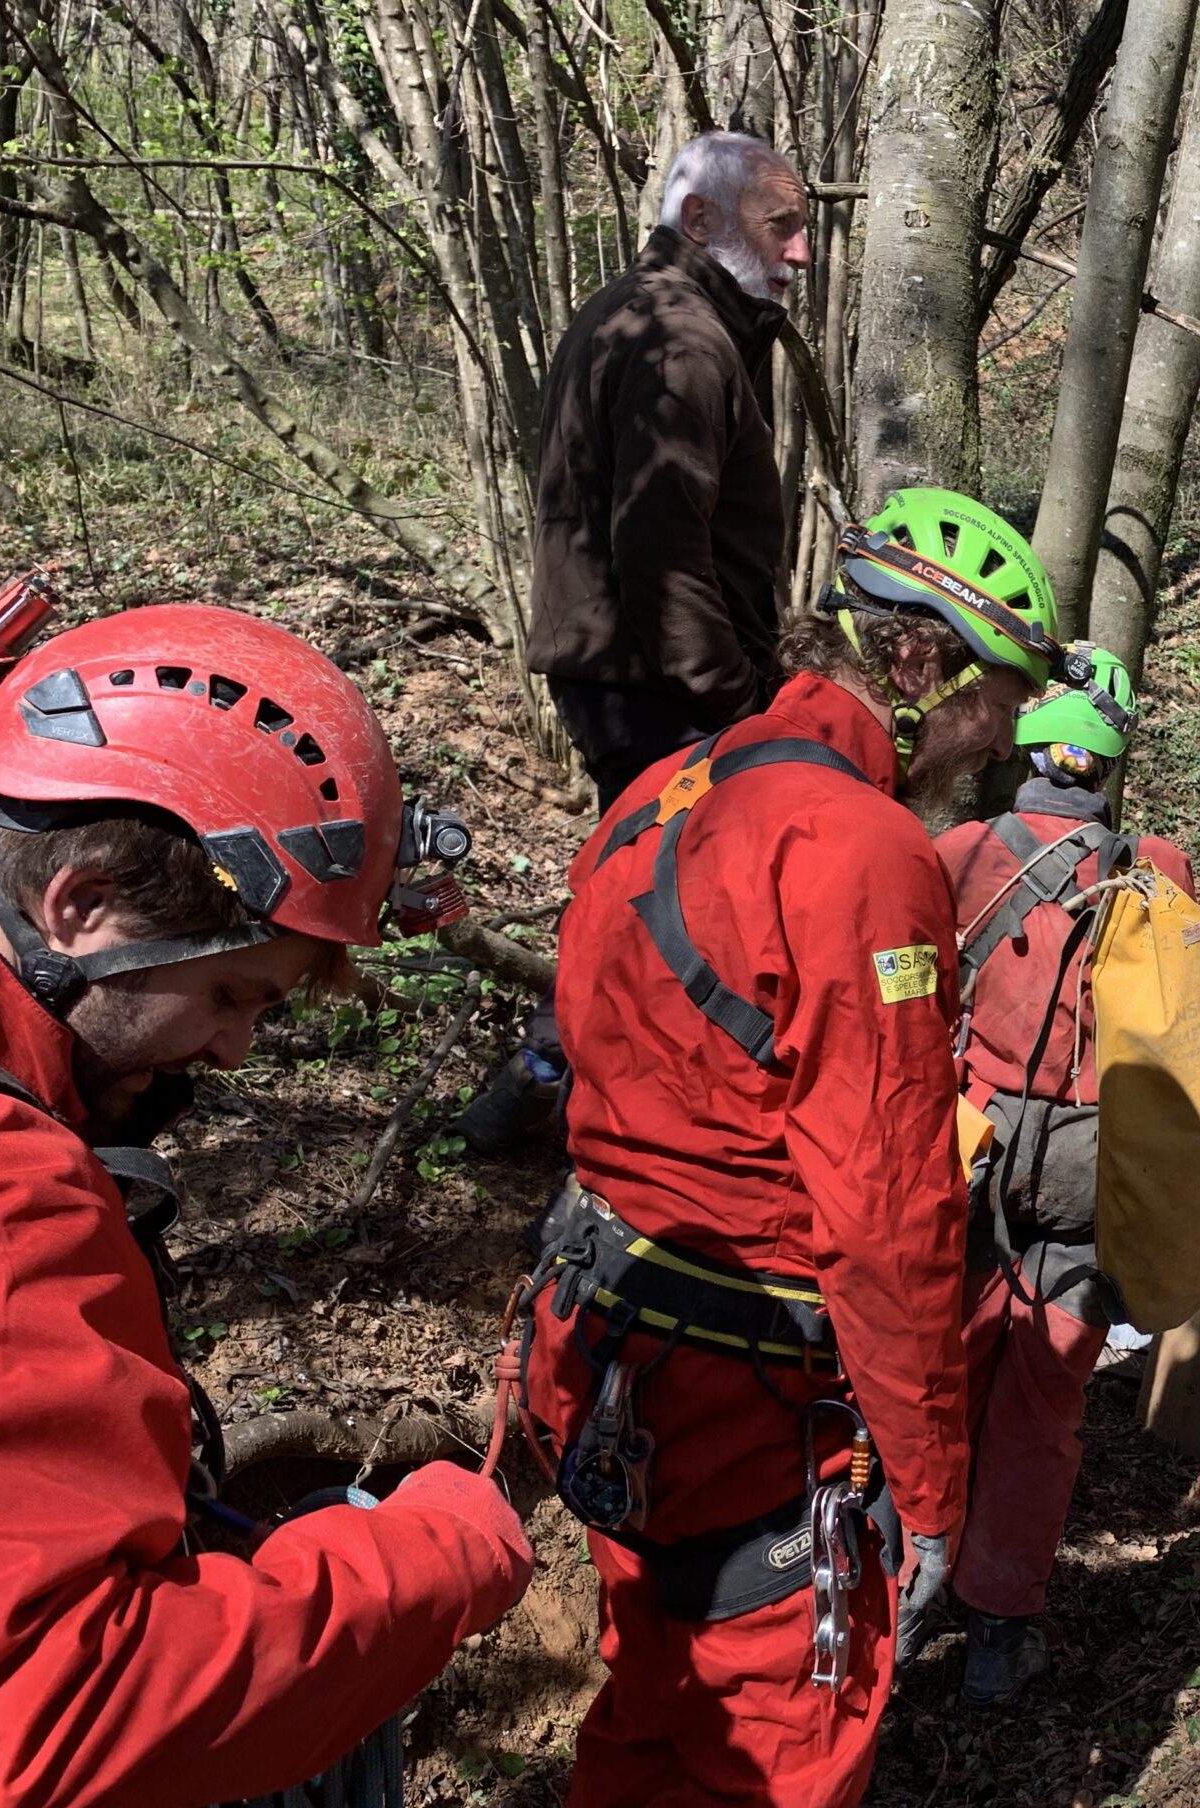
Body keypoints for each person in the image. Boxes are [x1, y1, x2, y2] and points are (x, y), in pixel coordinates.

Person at [0, 604, 532, 1808]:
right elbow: (48, 1716)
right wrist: (427, 1564)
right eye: (232, 995)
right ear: (79, 907)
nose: (234, 1055)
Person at [517, 488, 1063, 1808]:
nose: (998, 741)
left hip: (599, 1348)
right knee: (778, 1768)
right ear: (918, 667)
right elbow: (885, 1209)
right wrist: (932, 1488)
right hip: (741, 1408)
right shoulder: (860, 851)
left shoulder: (665, 795)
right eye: (993, 699)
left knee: (655, 1702)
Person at [463, 129, 814, 1151]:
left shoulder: (650, 313)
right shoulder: (679, 341)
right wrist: (739, 707)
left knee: (641, 895)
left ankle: (547, 1091)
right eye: (780, 226)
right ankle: (591, 1112)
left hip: (630, 673)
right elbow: (660, 550)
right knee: (658, 912)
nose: (801, 254)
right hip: (657, 686)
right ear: (700, 220)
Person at [931, 643, 1196, 1709]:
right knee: (1041, 1404)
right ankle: (997, 1628)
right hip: (1091, 1162)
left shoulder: (957, 854)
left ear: (1027, 744)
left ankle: (905, 1590)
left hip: (972, 1144)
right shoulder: (1156, 868)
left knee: (940, 1370)